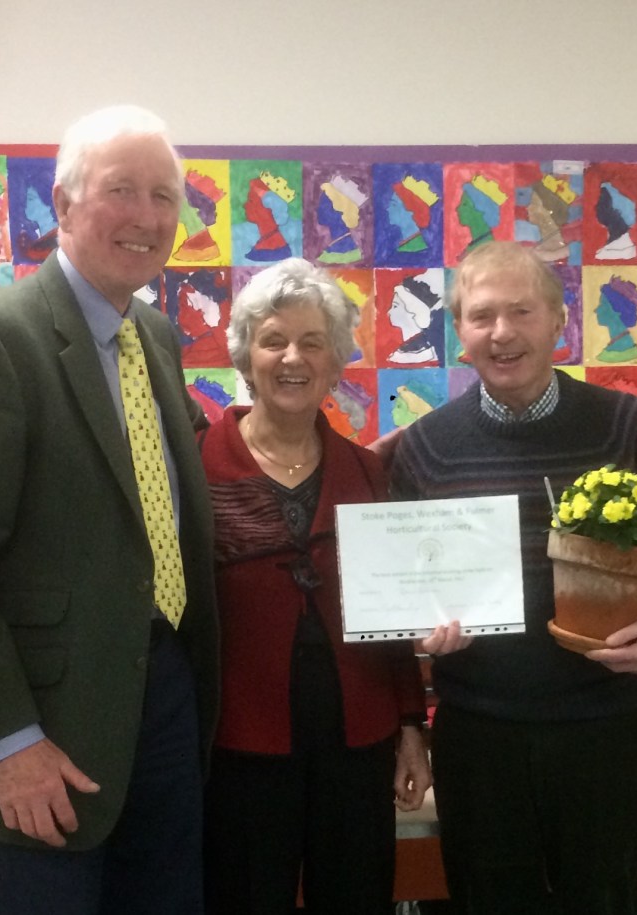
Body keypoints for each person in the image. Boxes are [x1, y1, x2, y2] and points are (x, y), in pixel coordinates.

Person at [0, 105, 220, 915]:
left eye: (164, 196)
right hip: (42, 730)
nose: (146, 216)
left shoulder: (156, 337)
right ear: (65, 203)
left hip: (165, 697)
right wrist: (10, 742)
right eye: (121, 190)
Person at [389, 240, 637, 915]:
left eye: (521, 311)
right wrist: (415, 646)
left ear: (559, 320)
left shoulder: (627, 427)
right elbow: (397, 593)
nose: (502, 332)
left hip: (605, 734)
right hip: (478, 742)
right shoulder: (426, 447)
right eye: (482, 315)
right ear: (459, 331)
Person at [198, 257, 430, 914]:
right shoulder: (197, 465)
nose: (292, 358)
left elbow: (392, 613)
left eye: (312, 342)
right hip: (239, 745)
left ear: (335, 362)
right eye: (273, 340)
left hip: (358, 740)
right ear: (246, 357)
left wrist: (410, 724)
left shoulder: (368, 472)